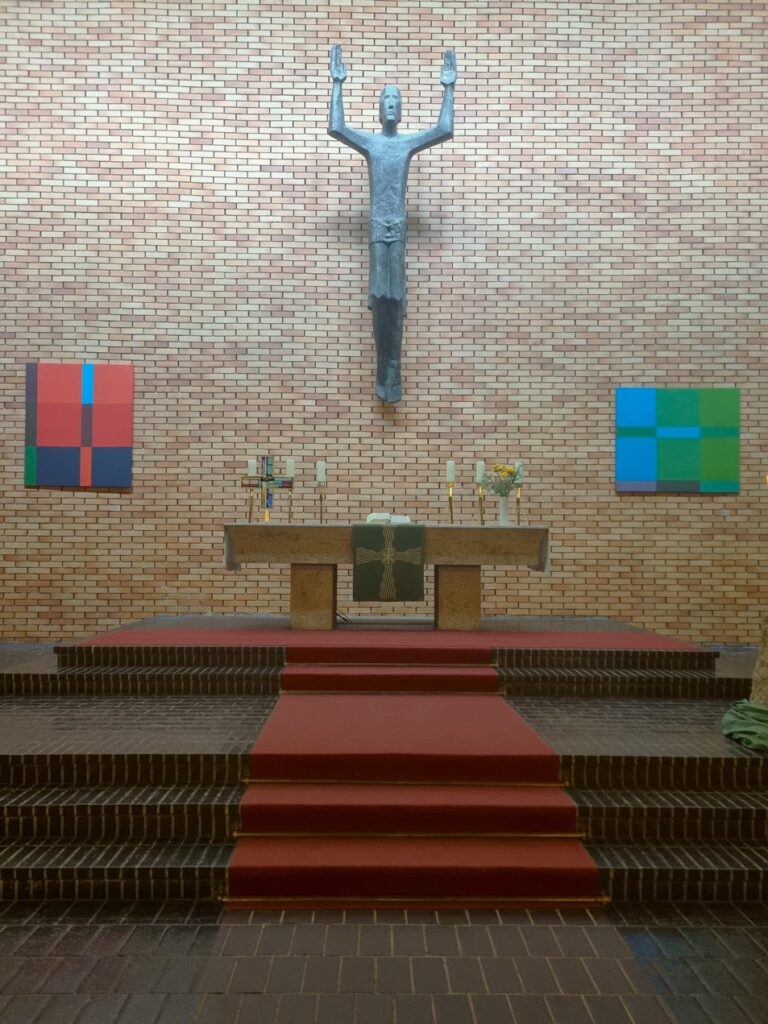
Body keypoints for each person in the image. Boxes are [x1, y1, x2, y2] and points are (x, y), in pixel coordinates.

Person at [329, 46, 457, 404]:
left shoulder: (405, 144)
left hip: (396, 233)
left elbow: (444, 128)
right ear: (378, 107)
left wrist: (448, 88)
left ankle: (392, 372)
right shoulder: (370, 143)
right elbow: (336, 127)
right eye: (385, 98)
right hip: (377, 232)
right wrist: (337, 84)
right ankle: (382, 369)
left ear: (401, 110)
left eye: (395, 99)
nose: (390, 104)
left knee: (396, 298)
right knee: (379, 297)